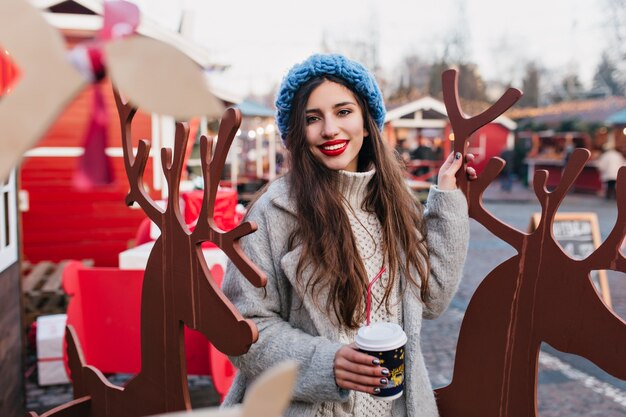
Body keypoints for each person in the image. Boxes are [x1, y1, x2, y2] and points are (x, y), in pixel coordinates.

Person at [221, 53, 476, 417]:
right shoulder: (273, 212)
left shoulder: (395, 204)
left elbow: (432, 298)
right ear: (296, 132)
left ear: (366, 120)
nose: (329, 129)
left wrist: (448, 198)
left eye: (343, 112)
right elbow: (243, 329)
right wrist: (327, 364)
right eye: (312, 118)